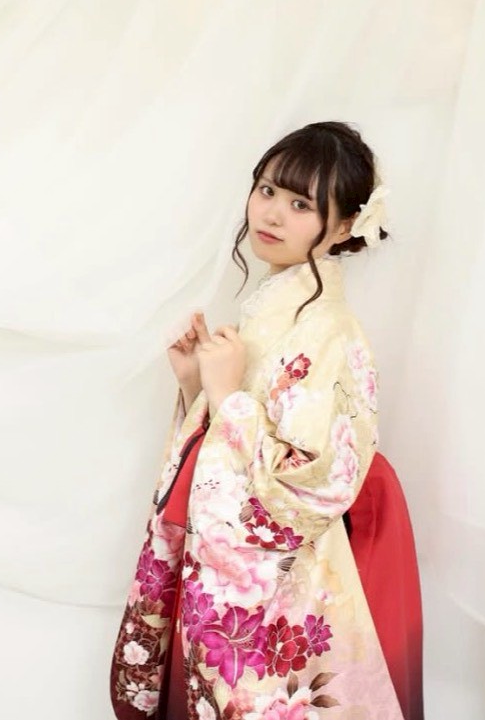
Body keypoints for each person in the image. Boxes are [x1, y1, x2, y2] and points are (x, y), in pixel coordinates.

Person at [110, 121, 423, 720]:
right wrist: (197, 387)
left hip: (293, 571)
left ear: (342, 226)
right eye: (268, 190)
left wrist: (228, 398)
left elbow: (315, 482)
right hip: (244, 552)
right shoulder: (275, 311)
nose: (273, 213)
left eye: (302, 204)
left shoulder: (331, 331)